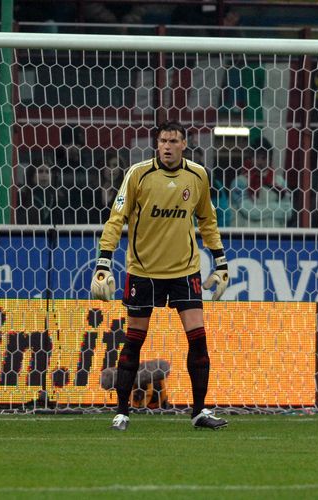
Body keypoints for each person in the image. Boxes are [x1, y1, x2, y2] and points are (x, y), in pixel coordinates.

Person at [90, 120, 229, 432]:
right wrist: (103, 262)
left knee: (198, 340)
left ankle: (198, 412)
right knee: (134, 342)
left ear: (184, 144)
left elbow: (207, 219)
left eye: (173, 141)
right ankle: (123, 412)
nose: (167, 146)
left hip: (185, 270)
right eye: (163, 140)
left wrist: (220, 262)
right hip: (144, 271)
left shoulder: (197, 176)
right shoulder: (138, 174)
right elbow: (116, 219)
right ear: (157, 144)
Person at [229, 139, 293, 227]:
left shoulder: (280, 182)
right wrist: (277, 207)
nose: (260, 162)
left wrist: (260, 209)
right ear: (251, 158)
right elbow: (249, 211)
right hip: (247, 236)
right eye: (256, 157)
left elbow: (288, 213)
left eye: (264, 158)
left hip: (274, 235)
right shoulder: (239, 182)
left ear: (270, 159)